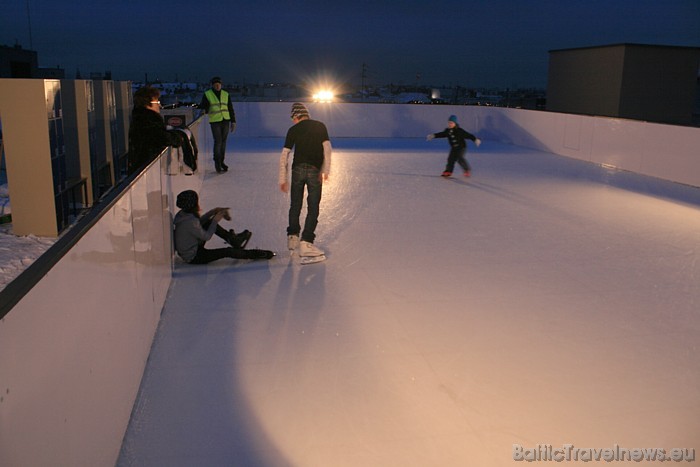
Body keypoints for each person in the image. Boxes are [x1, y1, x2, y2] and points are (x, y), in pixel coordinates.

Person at [278, 103, 331, 258]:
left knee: (295, 204)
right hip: (314, 171)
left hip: (297, 170)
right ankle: (306, 241)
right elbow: (327, 150)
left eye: (293, 118)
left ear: (296, 116)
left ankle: (293, 238)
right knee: (313, 205)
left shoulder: (293, 130)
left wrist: (283, 178)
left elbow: (284, 156)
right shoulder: (320, 126)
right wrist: (325, 171)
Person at [173, 190, 274, 264]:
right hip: (194, 257)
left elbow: (199, 223)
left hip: (193, 247)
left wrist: (214, 211)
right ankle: (253, 254)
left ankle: (234, 240)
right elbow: (206, 236)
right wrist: (216, 220)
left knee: (209, 223)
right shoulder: (189, 222)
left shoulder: (183, 215)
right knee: (227, 251)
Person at [128, 86, 183, 175]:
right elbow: (160, 137)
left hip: (143, 168)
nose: (159, 105)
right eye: (157, 101)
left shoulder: (139, 117)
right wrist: (178, 137)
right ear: (147, 103)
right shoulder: (147, 119)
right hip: (148, 170)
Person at [199, 76, 236, 173]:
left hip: (225, 120)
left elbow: (230, 108)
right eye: (215, 84)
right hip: (215, 121)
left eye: (219, 84)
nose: (217, 86)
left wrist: (233, 121)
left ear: (221, 85)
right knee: (218, 141)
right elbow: (204, 106)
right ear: (212, 85)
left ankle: (221, 161)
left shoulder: (225, 94)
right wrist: (203, 109)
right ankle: (217, 162)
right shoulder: (208, 94)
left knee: (223, 142)